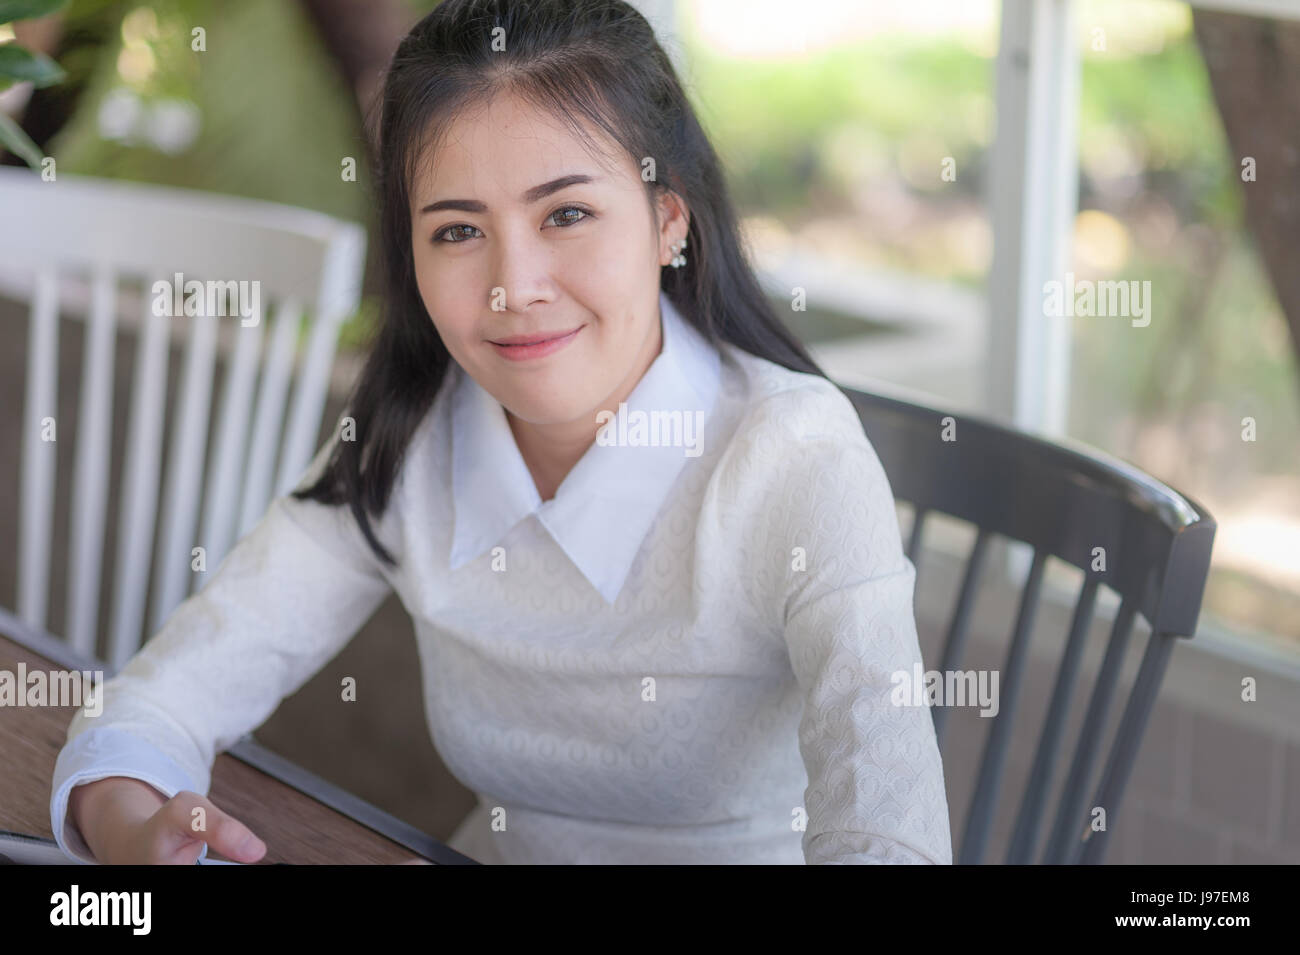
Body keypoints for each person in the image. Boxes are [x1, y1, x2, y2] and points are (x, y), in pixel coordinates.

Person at [51, 0, 952, 865]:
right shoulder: (410, 435)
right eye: (456, 231)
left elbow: (891, 835)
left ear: (667, 218)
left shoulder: (796, 457)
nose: (512, 285)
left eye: (566, 213)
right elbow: (162, 698)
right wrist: (132, 824)